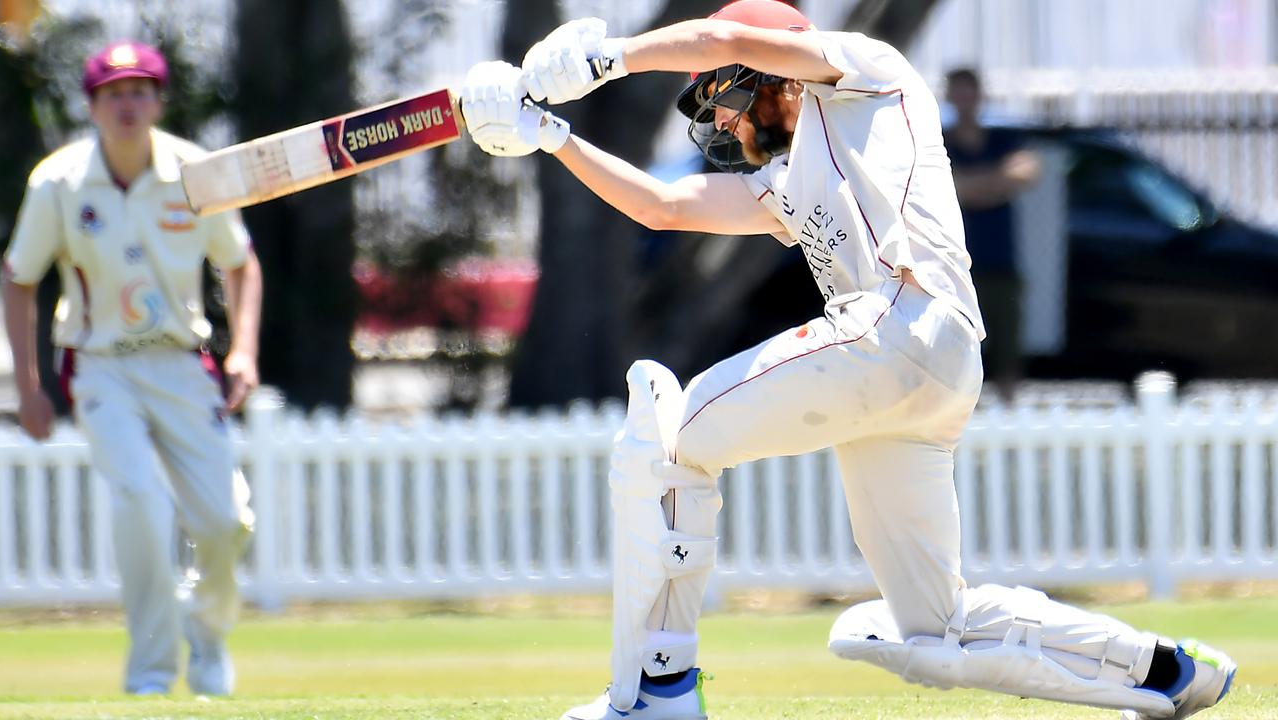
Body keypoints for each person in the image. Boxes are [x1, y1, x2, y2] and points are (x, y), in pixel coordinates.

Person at [458, 2, 1236, 719]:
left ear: (778, 73)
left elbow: (727, 39)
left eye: (727, 96)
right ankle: (1162, 673)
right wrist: (549, 135)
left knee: (669, 435)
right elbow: (660, 207)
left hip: (895, 326)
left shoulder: (867, 75)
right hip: (930, 366)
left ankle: (657, 689)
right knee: (938, 630)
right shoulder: (786, 181)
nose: (723, 119)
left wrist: (610, 59)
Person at [2, 41, 261, 696]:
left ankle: (206, 634)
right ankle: (149, 676)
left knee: (226, 522)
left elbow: (239, 262)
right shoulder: (58, 182)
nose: (128, 104)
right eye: (114, 93)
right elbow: (20, 277)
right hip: (100, 365)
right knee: (140, 502)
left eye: (140, 90)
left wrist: (244, 351)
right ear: (92, 105)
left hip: (179, 362)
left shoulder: (195, 172)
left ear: (159, 101)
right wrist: (29, 387)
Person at [943, 67, 1040, 403]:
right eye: (958, 93)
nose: (965, 100)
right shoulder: (942, 141)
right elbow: (952, 188)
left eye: (970, 92)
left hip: (1002, 262)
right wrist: (996, 183)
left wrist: (973, 185)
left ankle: (1009, 416)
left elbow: (1027, 172)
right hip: (957, 267)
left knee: (1008, 351)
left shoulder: (1003, 138)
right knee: (960, 353)